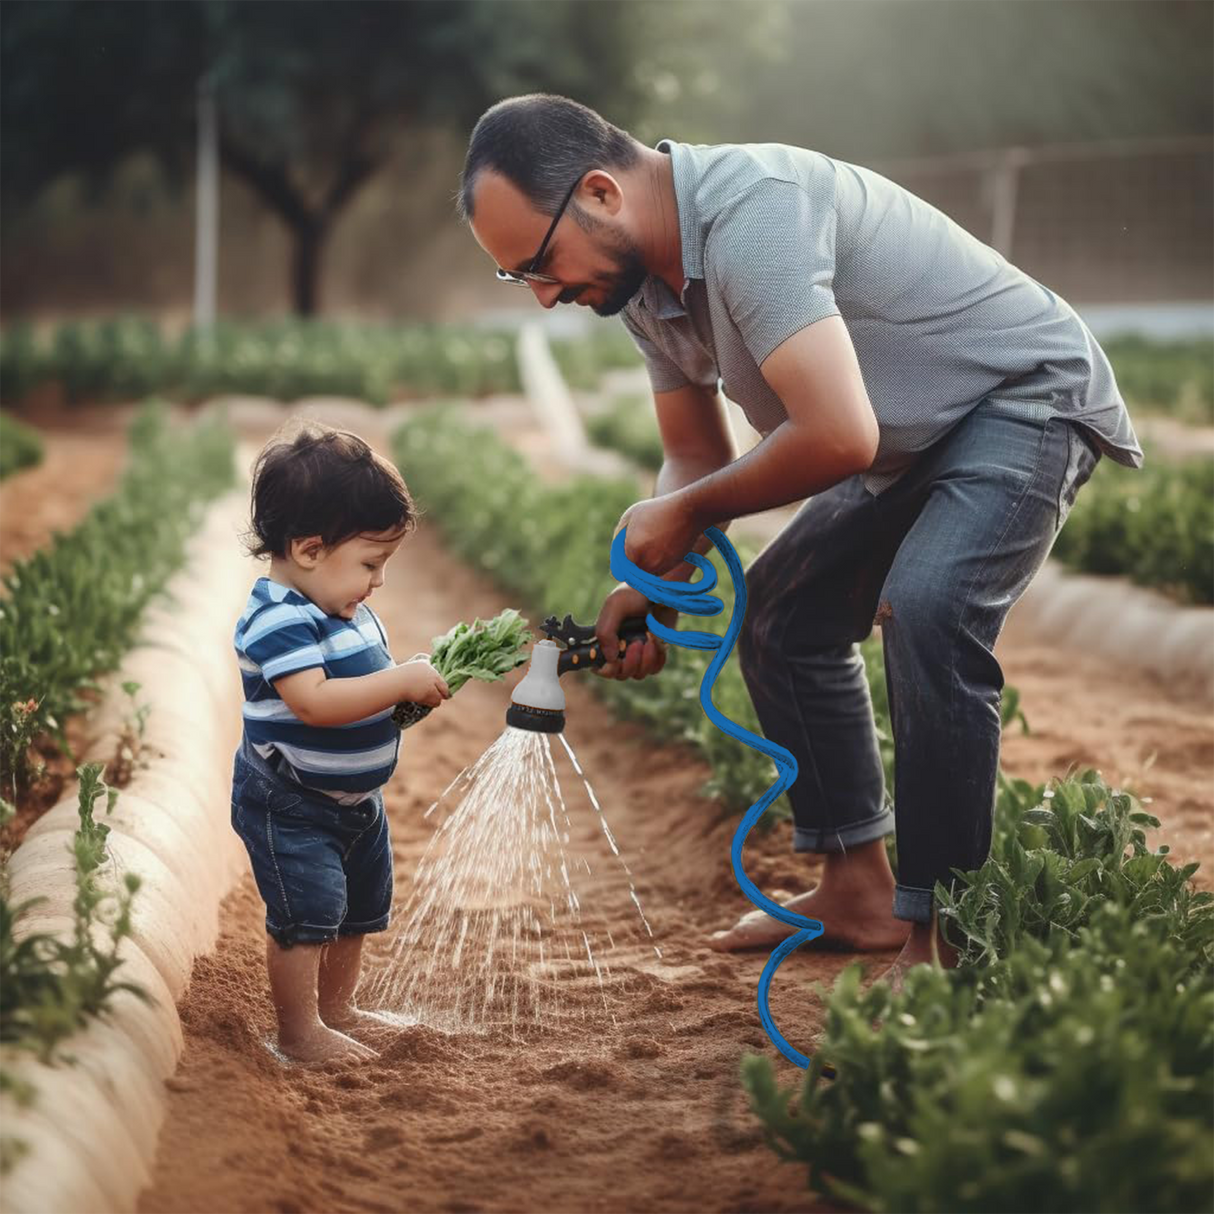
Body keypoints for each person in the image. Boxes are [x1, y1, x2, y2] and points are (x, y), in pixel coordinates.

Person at [457, 93, 1142, 989]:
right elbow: (694, 457)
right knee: (783, 614)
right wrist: (652, 580)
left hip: (1023, 399)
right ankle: (855, 889)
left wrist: (688, 514)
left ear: (600, 192)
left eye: (540, 264)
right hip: (919, 433)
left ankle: (949, 932)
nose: (546, 297)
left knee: (930, 608)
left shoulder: (753, 213)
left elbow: (839, 438)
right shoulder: (642, 290)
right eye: (521, 280)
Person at [232, 421, 451, 1062]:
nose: (377, 581)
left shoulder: (342, 609)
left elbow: (363, 702)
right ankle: (298, 1032)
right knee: (307, 916)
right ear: (307, 549)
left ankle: (339, 1009)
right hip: (292, 804)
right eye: (370, 563)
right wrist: (395, 681)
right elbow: (315, 703)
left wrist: (407, 700)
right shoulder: (277, 618)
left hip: (355, 803)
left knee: (357, 907)